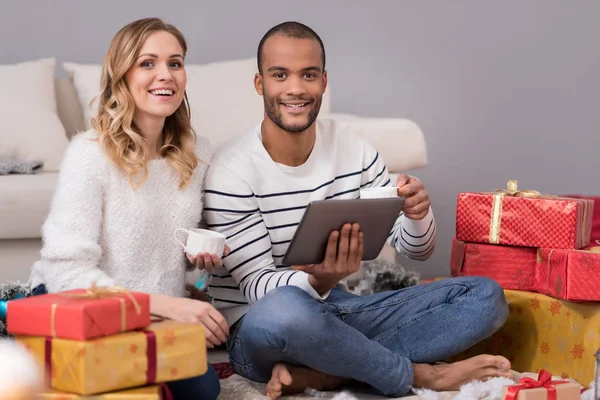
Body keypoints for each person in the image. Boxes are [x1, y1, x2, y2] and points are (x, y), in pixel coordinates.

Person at [203, 21, 510, 399]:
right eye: (280, 75)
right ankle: (415, 375)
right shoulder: (230, 170)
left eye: (308, 74)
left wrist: (417, 215)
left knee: (485, 297)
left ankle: (327, 373)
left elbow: (415, 250)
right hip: (260, 331)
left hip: (340, 310)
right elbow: (255, 290)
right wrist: (319, 281)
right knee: (284, 310)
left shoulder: (356, 151)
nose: (296, 88)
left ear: (324, 81)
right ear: (259, 83)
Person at [28, 18, 226, 400]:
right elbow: (65, 268)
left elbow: (169, 253)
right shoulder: (90, 154)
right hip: (86, 304)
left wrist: (199, 262)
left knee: (201, 389)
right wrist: (166, 306)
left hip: (151, 316)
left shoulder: (197, 153)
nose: (165, 75)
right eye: (147, 63)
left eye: (175, 62)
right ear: (121, 75)